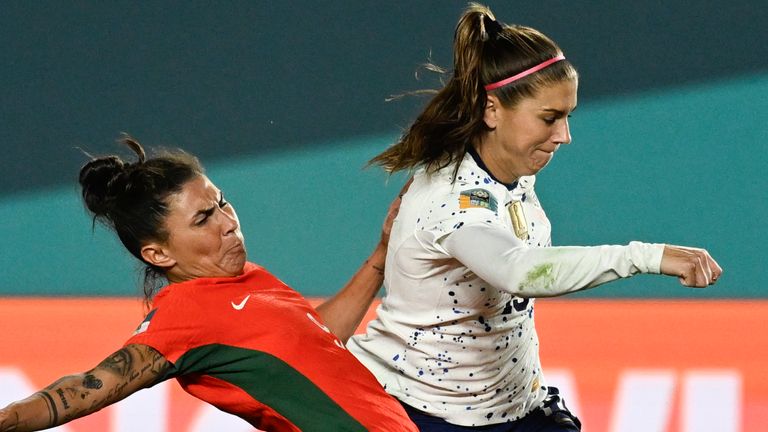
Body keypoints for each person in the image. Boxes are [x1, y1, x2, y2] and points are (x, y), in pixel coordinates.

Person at [346, 4, 722, 431]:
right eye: (550, 118)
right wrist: (646, 256)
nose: (564, 136)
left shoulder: (509, 169)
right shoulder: (452, 199)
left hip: (517, 409)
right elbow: (517, 270)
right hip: (423, 414)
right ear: (492, 110)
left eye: (567, 116)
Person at [0, 136, 418, 432]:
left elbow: (316, 339)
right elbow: (91, 386)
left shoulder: (248, 279)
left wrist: (380, 257)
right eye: (203, 219)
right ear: (159, 254)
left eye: (221, 203)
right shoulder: (185, 313)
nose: (228, 222)